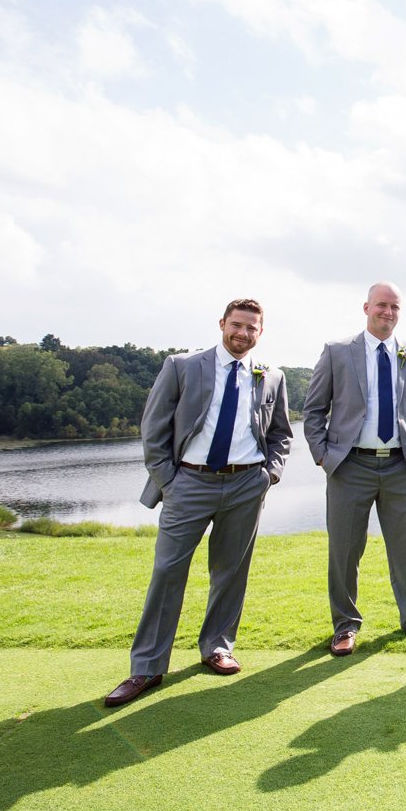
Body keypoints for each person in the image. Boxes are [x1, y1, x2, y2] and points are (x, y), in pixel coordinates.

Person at [105, 298, 293, 707]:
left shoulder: (271, 376)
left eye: (252, 328)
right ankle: (147, 667)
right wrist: (169, 481)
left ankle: (217, 647)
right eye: (237, 325)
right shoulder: (182, 366)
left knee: (231, 571)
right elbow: (153, 428)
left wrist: (269, 475)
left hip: (246, 485)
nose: (243, 334)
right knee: (168, 571)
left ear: (261, 333)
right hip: (188, 482)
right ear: (222, 323)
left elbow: (281, 434)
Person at [302, 281, 406, 656]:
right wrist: (324, 456)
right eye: (381, 305)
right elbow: (314, 410)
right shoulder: (337, 352)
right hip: (349, 467)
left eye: (395, 307)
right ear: (365, 308)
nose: (388, 312)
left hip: (401, 466)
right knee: (345, 551)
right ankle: (345, 626)